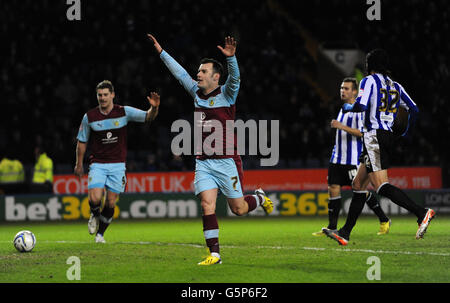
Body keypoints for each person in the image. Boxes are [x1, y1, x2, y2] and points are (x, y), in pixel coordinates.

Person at [147, 34, 274, 265]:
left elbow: (235, 78)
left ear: (216, 77)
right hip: (203, 161)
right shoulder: (196, 93)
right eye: (199, 71)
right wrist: (161, 51)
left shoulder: (227, 93)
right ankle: (214, 254)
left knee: (238, 209)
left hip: (227, 161)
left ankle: (258, 198)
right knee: (207, 204)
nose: (198, 74)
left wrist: (232, 59)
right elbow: (180, 73)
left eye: (203, 72)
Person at [322, 49, 435, 246]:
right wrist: (406, 132)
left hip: (373, 135)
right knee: (358, 185)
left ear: (370, 65)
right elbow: (414, 109)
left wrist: (349, 107)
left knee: (381, 185)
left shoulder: (368, 81)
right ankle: (345, 233)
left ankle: (421, 212)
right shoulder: (396, 85)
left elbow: (362, 106)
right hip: (384, 135)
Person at [74, 80, 160, 243]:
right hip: (97, 164)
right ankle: (94, 213)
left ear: (112, 95)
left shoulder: (124, 112)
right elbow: (82, 141)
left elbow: (147, 117)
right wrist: (79, 164)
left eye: (106, 94)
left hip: (118, 165)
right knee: (94, 199)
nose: (103, 98)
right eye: (100, 95)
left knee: (111, 202)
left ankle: (100, 235)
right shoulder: (90, 117)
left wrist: (154, 107)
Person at [312, 78, 390, 237]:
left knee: (362, 191)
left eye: (346, 88)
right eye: (341, 88)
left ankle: (384, 219)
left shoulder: (360, 111)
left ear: (355, 91)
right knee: (333, 188)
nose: (343, 91)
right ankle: (332, 227)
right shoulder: (344, 108)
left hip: (352, 160)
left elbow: (363, 133)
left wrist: (341, 127)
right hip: (337, 158)